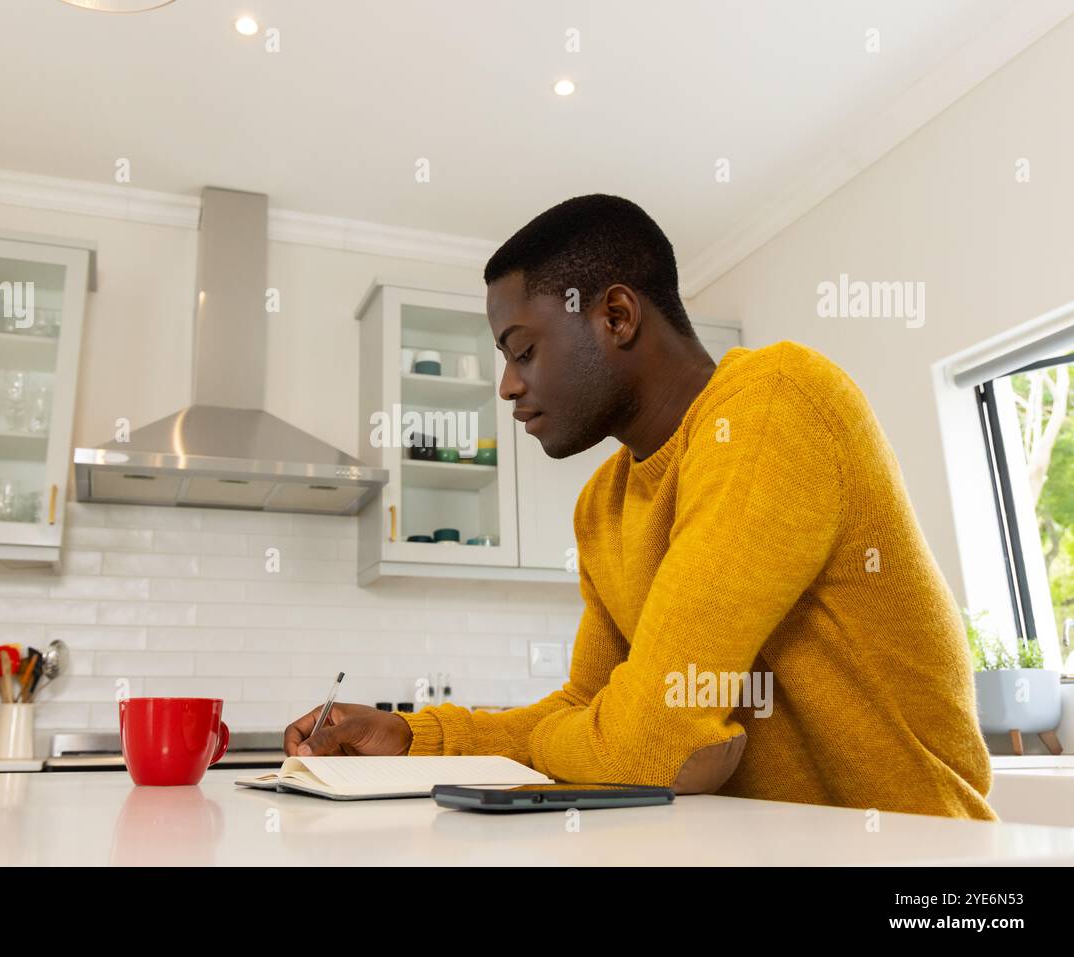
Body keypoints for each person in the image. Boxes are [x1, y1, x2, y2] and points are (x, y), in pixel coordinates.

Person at [283, 193, 995, 820]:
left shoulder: (774, 405)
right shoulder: (604, 504)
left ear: (616, 316)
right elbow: (590, 710)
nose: (506, 386)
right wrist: (415, 736)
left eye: (522, 350)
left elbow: (644, 742)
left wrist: (612, 732)